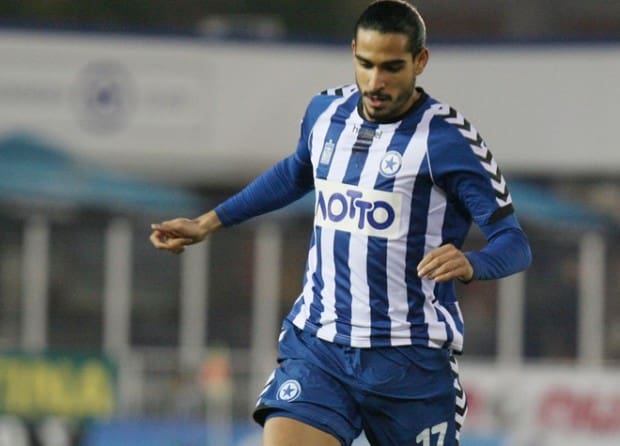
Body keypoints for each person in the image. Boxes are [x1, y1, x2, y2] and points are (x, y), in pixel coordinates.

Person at [150, 1, 532, 445]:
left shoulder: (449, 141)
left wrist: (471, 263)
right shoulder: (326, 112)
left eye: (391, 67)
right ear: (353, 52)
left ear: (420, 61)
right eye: (365, 64)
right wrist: (208, 222)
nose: (375, 81)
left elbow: (514, 243)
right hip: (320, 345)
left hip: (409, 361)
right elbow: (295, 173)